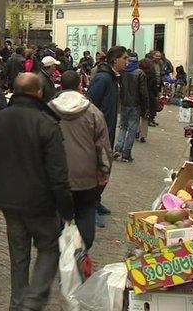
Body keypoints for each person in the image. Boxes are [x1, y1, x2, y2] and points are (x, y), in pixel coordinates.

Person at [0, 72, 74, 310]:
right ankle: (31, 302)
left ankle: (17, 303)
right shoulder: (47, 123)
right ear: (40, 92)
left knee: (18, 254)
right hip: (39, 203)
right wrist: (66, 209)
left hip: (8, 200)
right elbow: (58, 173)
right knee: (48, 248)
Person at [48, 71, 111, 249]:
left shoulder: (48, 110)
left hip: (57, 176)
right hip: (86, 176)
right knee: (85, 211)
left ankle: (61, 249)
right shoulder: (93, 112)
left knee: (59, 213)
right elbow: (103, 146)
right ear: (79, 87)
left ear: (61, 86)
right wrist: (104, 170)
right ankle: (83, 249)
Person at [87, 46, 128, 226]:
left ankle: (96, 201)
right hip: (98, 133)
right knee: (97, 169)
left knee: (104, 169)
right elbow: (90, 104)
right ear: (114, 60)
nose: (127, 62)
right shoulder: (103, 78)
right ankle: (90, 207)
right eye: (124, 58)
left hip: (108, 131)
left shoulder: (113, 78)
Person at [113, 53, 149, 163]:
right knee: (132, 129)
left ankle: (117, 149)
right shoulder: (139, 73)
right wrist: (146, 106)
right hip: (135, 104)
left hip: (124, 103)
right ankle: (126, 153)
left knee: (123, 126)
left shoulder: (123, 71)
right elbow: (143, 92)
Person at [139, 58, 157, 143]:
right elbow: (154, 87)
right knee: (145, 117)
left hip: (139, 96)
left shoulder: (138, 73)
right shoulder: (152, 75)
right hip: (149, 96)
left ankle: (136, 131)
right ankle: (143, 135)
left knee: (137, 116)